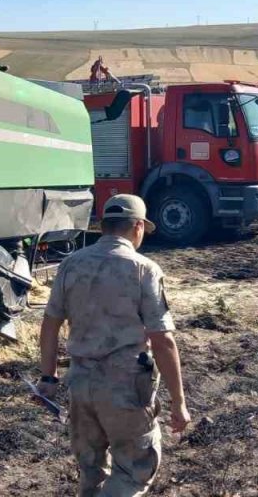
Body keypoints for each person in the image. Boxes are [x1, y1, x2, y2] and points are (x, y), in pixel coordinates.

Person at [38, 194, 191, 497]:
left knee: (91, 472)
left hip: (80, 384)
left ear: (105, 226)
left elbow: (50, 324)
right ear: (137, 227)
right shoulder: (143, 269)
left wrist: (48, 377)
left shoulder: (70, 264)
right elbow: (162, 340)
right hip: (125, 389)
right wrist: (179, 402)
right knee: (134, 471)